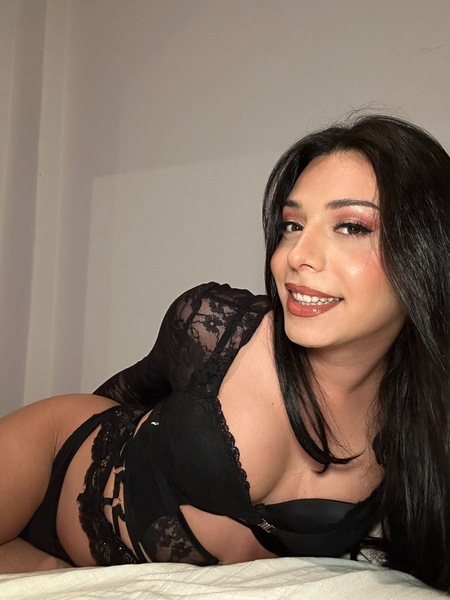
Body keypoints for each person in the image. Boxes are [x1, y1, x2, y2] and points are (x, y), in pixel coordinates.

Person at [0, 114, 448, 593]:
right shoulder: (218, 325)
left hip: (72, 565)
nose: (296, 255)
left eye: (351, 227)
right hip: (51, 455)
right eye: (292, 225)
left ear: (428, 247)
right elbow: (131, 388)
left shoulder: (423, 417)